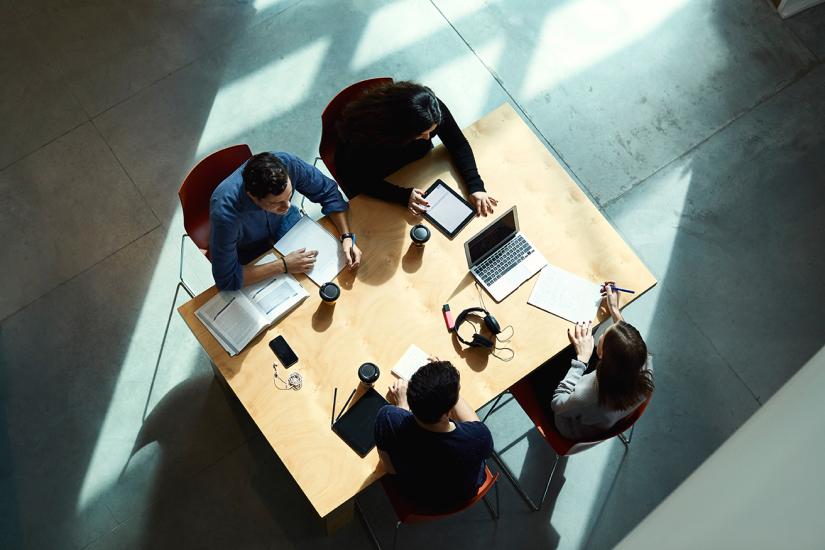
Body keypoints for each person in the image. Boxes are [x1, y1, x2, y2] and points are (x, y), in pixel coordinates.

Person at [335, 81, 498, 217]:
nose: (428, 138)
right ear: (401, 131)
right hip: (380, 182)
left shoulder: (430, 109)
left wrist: (475, 186)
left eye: (432, 131)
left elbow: (458, 144)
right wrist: (402, 195)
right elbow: (357, 180)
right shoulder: (363, 138)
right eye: (422, 134)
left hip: (419, 171)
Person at [209, 151, 362, 290]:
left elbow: (328, 192)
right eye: (276, 203)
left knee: (319, 279)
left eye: (289, 196)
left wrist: (346, 236)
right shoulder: (226, 215)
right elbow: (227, 279)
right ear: (253, 197)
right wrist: (282, 265)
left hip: (282, 222)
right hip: (247, 246)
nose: (287, 206)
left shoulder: (287, 164)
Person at [374, 359, 493, 510]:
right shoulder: (477, 437)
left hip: (416, 499)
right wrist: (449, 389)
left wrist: (402, 406)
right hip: (463, 494)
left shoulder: (389, 418)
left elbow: (389, 469)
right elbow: (477, 426)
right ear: (449, 411)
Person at [549, 283, 654, 440]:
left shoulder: (585, 398)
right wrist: (614, 310)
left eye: (602, 335)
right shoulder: (643, 364)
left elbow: (557, 403)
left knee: (550, 360)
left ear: (603, 356)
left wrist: (581, 361)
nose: (601, 333)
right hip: (603, 416)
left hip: (570, 425)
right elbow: (626, 342)